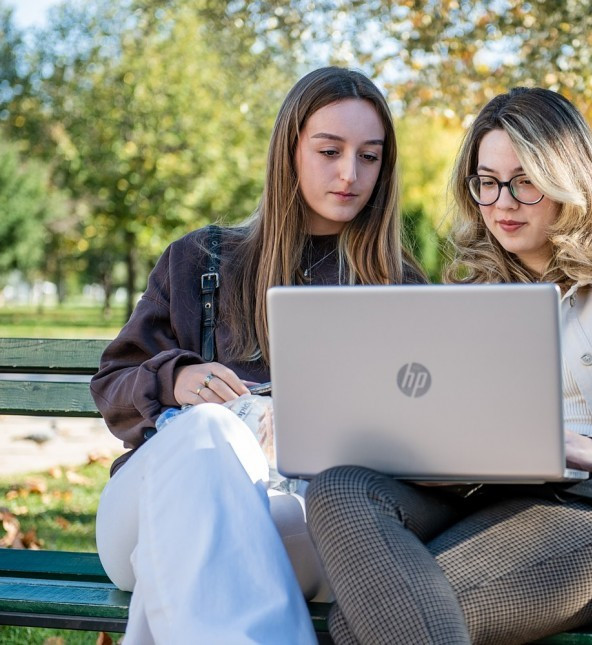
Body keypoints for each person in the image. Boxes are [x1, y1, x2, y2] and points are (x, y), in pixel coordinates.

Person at [304, 87, 592, 644]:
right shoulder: (469, 297)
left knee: (363, 623)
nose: (503, 203)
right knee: (339, 487)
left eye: (526, 181)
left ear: (570, 177)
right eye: (487, 182)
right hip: (479, 502)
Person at [90, 66, 421, 643]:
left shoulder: (400, 289)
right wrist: (176, 379)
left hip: (309, 520)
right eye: (329, 150)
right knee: (207, 434)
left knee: (189, 557)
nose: (350, 173)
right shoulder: (201, 259)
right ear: (288, 151)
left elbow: (427, 433)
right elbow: (113, 385)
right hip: (149, 505)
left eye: (369, 157)